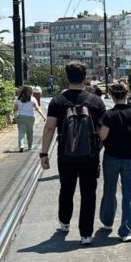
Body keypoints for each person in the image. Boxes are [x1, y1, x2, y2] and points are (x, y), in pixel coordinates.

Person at [40, 61, 106, 245]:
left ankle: (64, 222)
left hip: (65, 155)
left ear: (67, 78)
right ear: (85, 78)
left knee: (66, 189)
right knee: (88, 193)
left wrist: (44, 154)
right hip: (90, 156)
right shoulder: (96, 101)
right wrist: (98, 149)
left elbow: (49, 128)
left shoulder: (58, 101)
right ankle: (86, 234)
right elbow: (102, 132)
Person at [98, 81, 131, 243]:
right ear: (127, 94)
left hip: (112, 157)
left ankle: (108, 222)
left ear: (111, 96)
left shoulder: (108, 115)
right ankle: (126, 231)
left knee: (109, 189)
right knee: (130, 194)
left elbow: (103, 136)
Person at [14, 86, 46, 152]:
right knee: (30, 132)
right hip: (31, 118)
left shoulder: (18, 99)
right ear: (31, 92)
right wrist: (43, 116)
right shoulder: (33, 99)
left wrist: (14, 117)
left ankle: (21, 146)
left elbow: (15, 109)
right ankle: (30, 146)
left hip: (20, 117)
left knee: (21, 132)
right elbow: (37, 108)